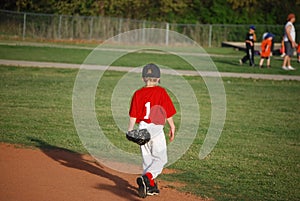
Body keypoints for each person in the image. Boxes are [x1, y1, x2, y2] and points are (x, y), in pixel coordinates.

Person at [127, 63, 176, 198]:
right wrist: (172, 126)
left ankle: (150, 186)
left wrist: (130, 130)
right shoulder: (161, 92)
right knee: (161, 159)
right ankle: (148, 178)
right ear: (158, 78)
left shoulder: (138, 93)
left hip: (142, 128)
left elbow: (133, 115)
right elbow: (168, 112)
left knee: (147, 160)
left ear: (143, 78)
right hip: (156, 129)